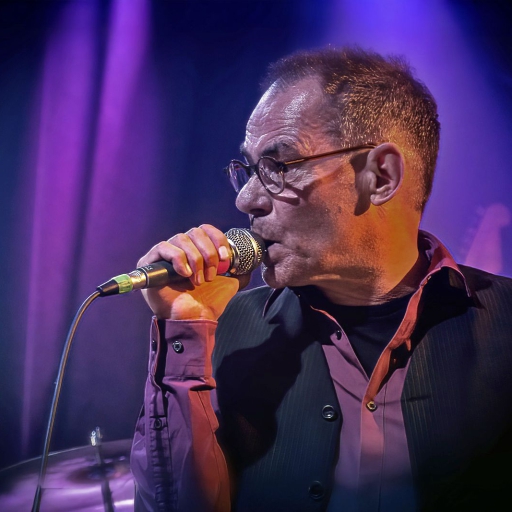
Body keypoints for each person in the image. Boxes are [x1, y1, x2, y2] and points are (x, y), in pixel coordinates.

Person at [129, 47, 512, 511]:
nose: (246, 199)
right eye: (248, 170)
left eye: (279, 166)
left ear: (380, 176)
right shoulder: (216, 332)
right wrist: (185, 328)